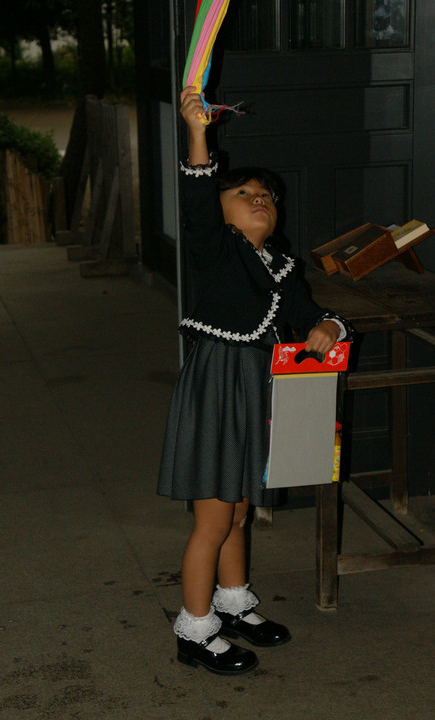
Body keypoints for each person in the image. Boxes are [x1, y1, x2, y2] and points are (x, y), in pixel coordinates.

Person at [157, 87, 352, 675]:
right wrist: (198, 134)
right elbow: (197, 199)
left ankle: (233, 601)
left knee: (240, 509)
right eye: (242, 193)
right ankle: (194, 629)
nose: (259, 199)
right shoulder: (216, 250)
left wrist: (328, 326)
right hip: (218, 388)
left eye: (266, 195)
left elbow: (309, 314)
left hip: (255, 392)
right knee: (214, 517)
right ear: (219, 212)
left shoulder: (283, 268)